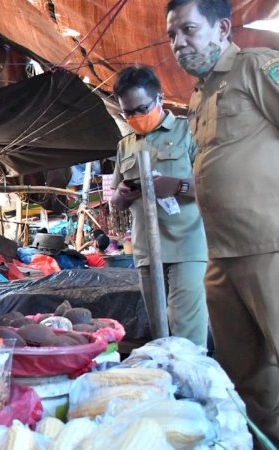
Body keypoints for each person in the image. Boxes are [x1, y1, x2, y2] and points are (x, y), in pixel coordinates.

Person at [166, 0, 279, 439]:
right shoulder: (199, 95)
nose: (179, 43)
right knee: (247, 381)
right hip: (221, 257)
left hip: (268, 248)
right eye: (173, 35)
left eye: (189, 30)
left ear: (222, 28)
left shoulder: (256, 67)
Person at [110, 65, 208, 348]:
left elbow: (213, 185)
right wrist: (122, 195)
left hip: (187, 246)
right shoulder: (125, 145)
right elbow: (115, 200)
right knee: (160, 331)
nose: (135, 118)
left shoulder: (187, 131)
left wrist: (178, 186)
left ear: (159, 99)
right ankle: (168, 385)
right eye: (127, 113)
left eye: (141, 109)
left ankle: (195, 383)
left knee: (186, 330)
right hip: (146, 251)